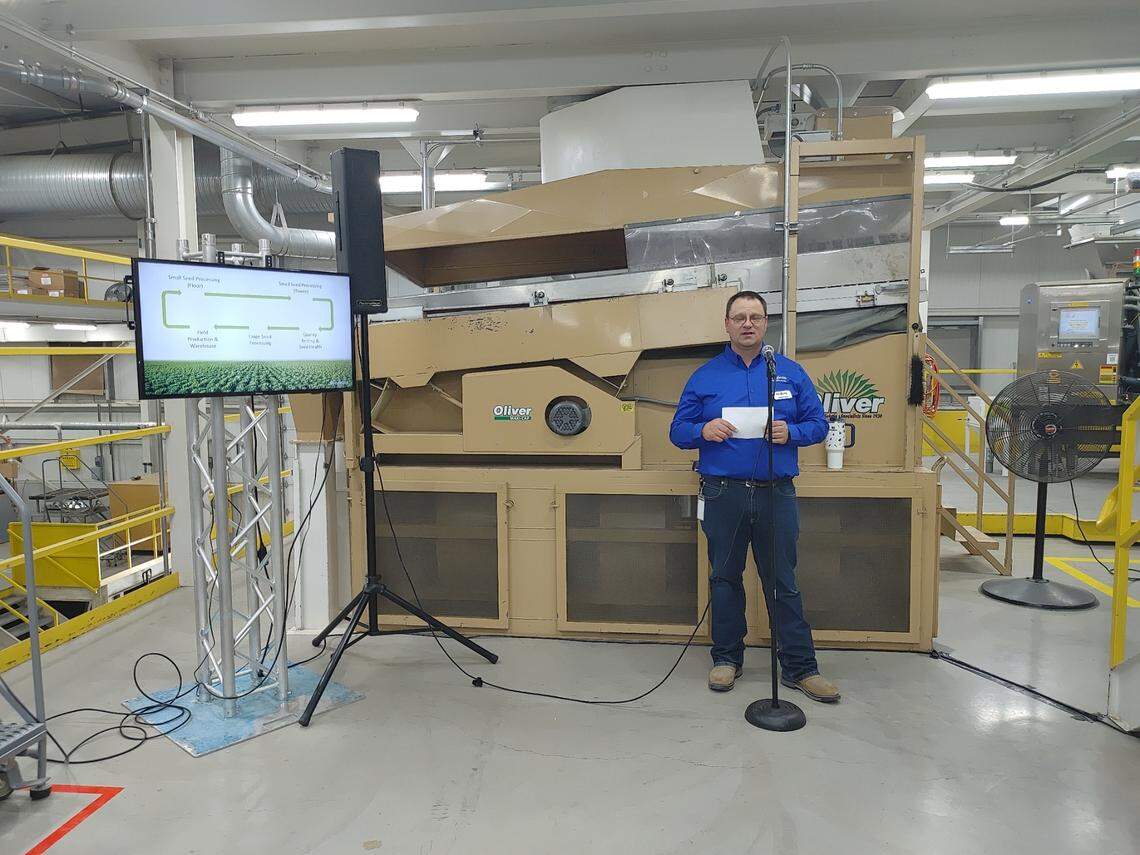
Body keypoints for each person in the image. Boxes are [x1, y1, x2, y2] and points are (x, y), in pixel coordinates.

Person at [669, 290, 839, 702]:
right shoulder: (705, 376)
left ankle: (801, 668)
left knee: (782, 581)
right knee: (724, 579)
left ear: (766, 324)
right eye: (740, 317)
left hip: (775, 494)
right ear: (727, 324)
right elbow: (677, 430)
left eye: (756, 317)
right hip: (722, 493)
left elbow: (818, 423)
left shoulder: (790, 373)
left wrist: (792, 433)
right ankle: (727, 659)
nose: (748, 323)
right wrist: (701, 431)